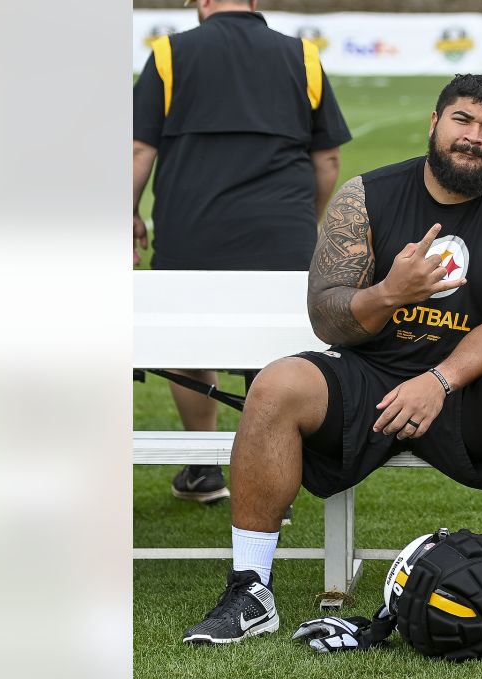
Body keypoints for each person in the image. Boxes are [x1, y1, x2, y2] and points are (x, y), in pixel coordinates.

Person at [181, 74, 482, 655]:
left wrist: (437, 381)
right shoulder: (365, 195)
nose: (474, 138)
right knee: (278, 384)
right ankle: (251, 589)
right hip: (368, 381)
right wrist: (391, 292)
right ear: (434, 124)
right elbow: (326, 314)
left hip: (462, 388)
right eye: (462, 121)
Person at [133, 0, 350, 504]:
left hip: (190, 226)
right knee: (273, 349)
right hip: (281, 229)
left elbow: (140, 149)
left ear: (202, 3)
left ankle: (204, 466)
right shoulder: (304, 57)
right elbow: (329, 159)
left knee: (189, 344)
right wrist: (307, 221)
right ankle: (274, 474)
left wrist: (126, 216)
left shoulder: (169, 52)